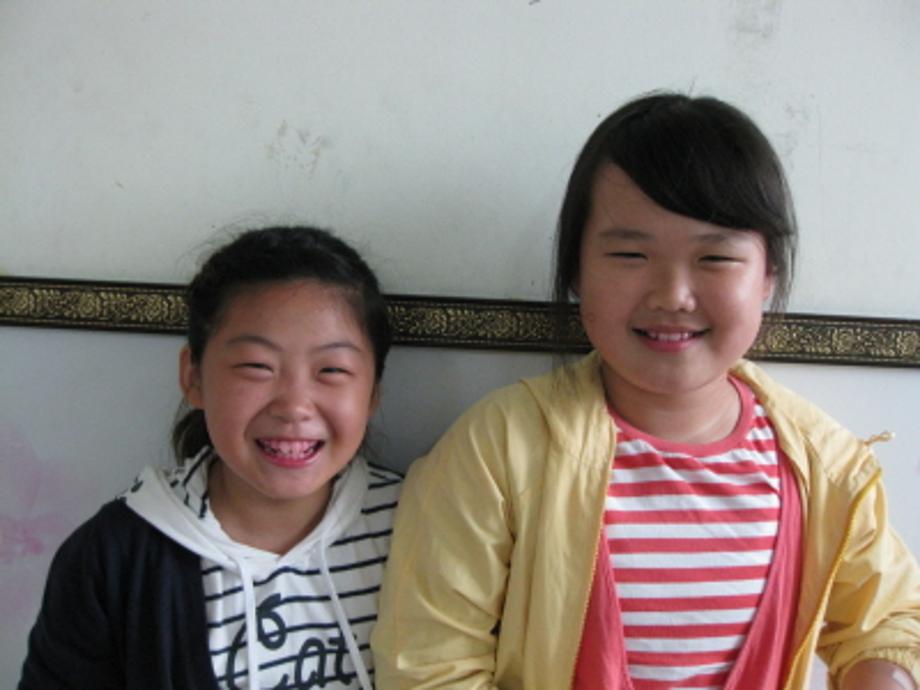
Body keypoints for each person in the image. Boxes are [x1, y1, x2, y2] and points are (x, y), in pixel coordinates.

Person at [372, 94, 920, 689]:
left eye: (715, 257)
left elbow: (890, 621)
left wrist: (883, 672)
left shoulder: (825, 465)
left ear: (768, 275)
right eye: (630, 254)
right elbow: (428, 662)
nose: (673, 296)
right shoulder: (497, 449)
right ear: (576, 270)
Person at [20, 226, 402, 690]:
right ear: (194, 377)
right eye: (257, 366)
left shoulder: (420, 524)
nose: (294, 406)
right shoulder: (114, 557)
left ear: (373, 392)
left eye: (333, 370)